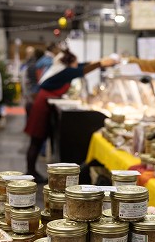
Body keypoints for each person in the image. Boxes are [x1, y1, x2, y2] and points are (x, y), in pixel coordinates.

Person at [24, 47, 114, 182]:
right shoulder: (65, 72)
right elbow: (81, 70)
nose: (77, 65)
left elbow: (82, 66)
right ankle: (30, 172)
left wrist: (100, 61)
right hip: (41, 106)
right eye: (76, 62)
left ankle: (31, 171)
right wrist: (101, 63)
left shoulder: (61, 68)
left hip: (43, 103)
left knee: (37, 140)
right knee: (36, 139)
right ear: (70, 63)